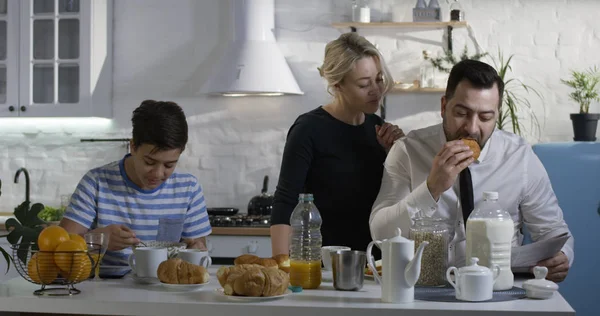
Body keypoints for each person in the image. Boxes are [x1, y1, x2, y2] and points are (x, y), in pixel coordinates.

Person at [370, 59, 574, 282]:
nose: (472, 128)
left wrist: (563, 257)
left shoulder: (519, 157)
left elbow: (553, 231)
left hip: (500, 290)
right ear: (443, 106)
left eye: (485, 117)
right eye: (461, 113)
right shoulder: (408, 151)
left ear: (497, 115)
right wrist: (432, 188)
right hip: (425, 288)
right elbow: (381, 234)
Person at [270, 32, 405, 257]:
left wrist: (395, 154)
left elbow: (392, 202)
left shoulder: (379, 129)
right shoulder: (308, 129)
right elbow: (285, 201)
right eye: (364, 84)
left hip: (374, 262)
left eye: (378, 79)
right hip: (322, 264)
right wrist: (280, 265)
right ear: (337, 84)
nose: (376, 90)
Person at [60, 100, 211, 266]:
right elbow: (61, 246)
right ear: (133, 147)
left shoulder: (188, 188)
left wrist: (197, 247)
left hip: (165, 287)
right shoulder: (96, 183)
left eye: (169, 165)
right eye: (149, 162)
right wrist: (98, 240)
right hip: (106, 287)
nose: (158, 173)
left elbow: (197, 246)